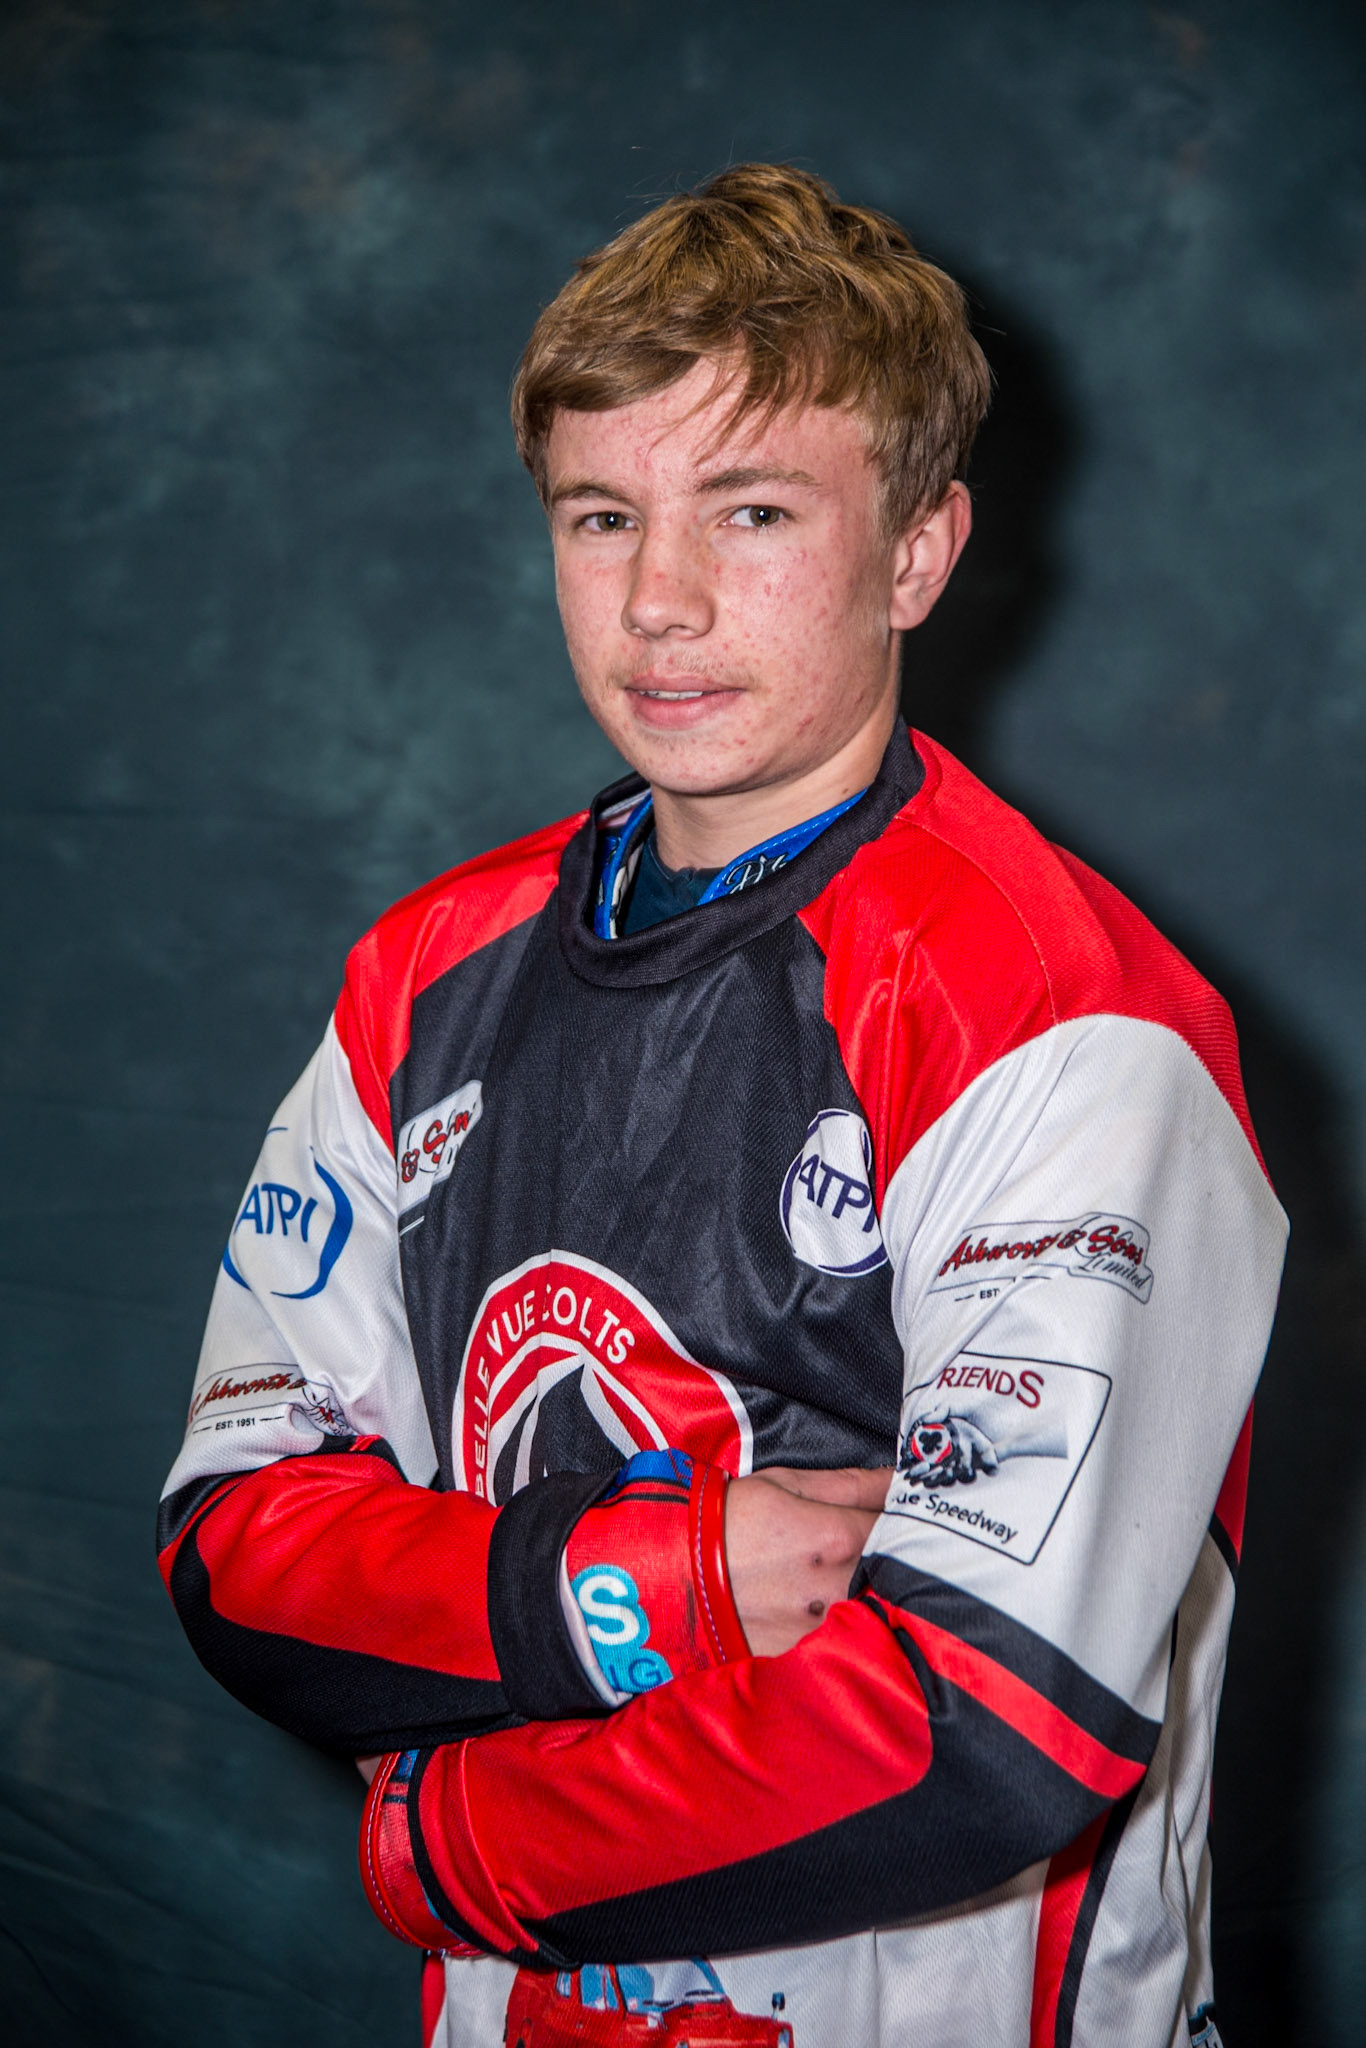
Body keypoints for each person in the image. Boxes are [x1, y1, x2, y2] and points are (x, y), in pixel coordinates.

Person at [158, 164, 1286, 2048]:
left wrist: (446, 1850)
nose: (659, 602)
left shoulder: (1063, 1019)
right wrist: (655, 1582)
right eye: (601, 517)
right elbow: (238, 1549)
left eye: (752, 512)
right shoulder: (422, 979)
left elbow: (986, 1732)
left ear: (917, 552)